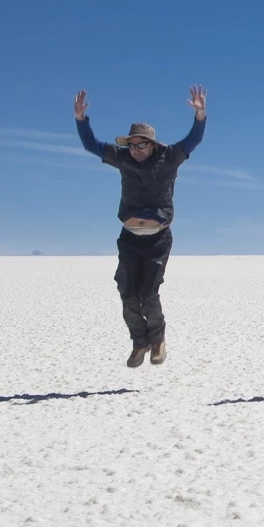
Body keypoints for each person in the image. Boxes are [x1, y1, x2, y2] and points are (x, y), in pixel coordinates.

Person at [74, 85, 207, 366]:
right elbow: (91, 145)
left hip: (158, 240)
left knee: (148, 294)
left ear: (152, 144)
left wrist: (199, 114)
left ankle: (157, 340)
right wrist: (80, 119)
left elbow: (193, 140)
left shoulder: (169, 158)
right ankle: (139, 342)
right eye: (131, 145)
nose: (134, 150)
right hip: (130, 238)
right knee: (128, 295)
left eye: (140, 145)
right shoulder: (122, 159)